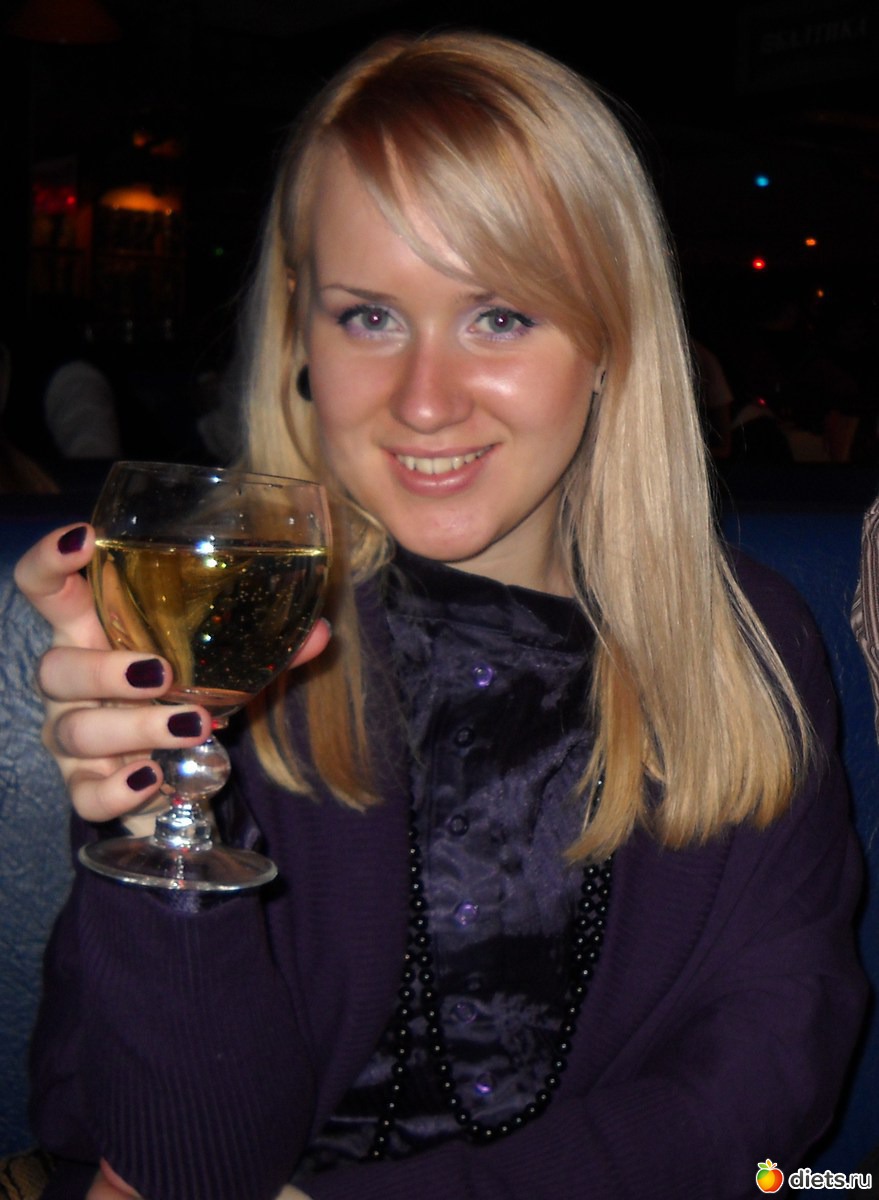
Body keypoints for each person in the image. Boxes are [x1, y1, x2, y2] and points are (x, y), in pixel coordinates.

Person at [13, 30, 866, 1200]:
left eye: (499, 316)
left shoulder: (751, 644)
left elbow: (766, 1087)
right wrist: (162, 824)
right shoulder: (229, 629)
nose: (423, 402)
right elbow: (169, 1163)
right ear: (301, 336)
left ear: (611, 339)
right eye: (369, 316)